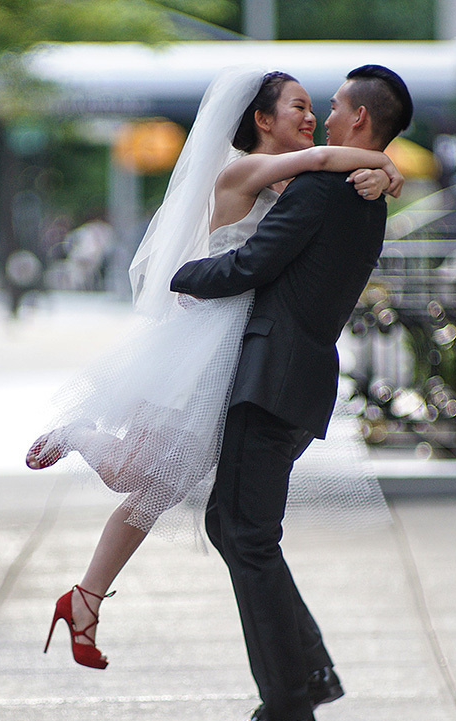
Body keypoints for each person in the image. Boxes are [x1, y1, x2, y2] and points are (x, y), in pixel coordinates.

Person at [31, 68, 401, 670]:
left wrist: (382, 170)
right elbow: (336, 158)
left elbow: (330, 173)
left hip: (237, 349)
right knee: (133, 473)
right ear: (262, 120)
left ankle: (85, 600)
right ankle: (75, 433)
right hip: (203, 340)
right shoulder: (243, 169)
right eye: (300, 108)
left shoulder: (293, 180)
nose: (311, 120)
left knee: (162, 485)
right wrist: (386, 169)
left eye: (316, 109)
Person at [169, 64, 414, 721]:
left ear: (360, 120)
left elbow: (251, 266)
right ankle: (304, 680)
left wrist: (177, 274)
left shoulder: (326, 190)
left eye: (334, 106)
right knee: (235, 527)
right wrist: (388, 169)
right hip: (293, 381)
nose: (327, 117)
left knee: (244, 533)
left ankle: (289, 705)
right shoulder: (366, 191)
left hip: (274, 381)